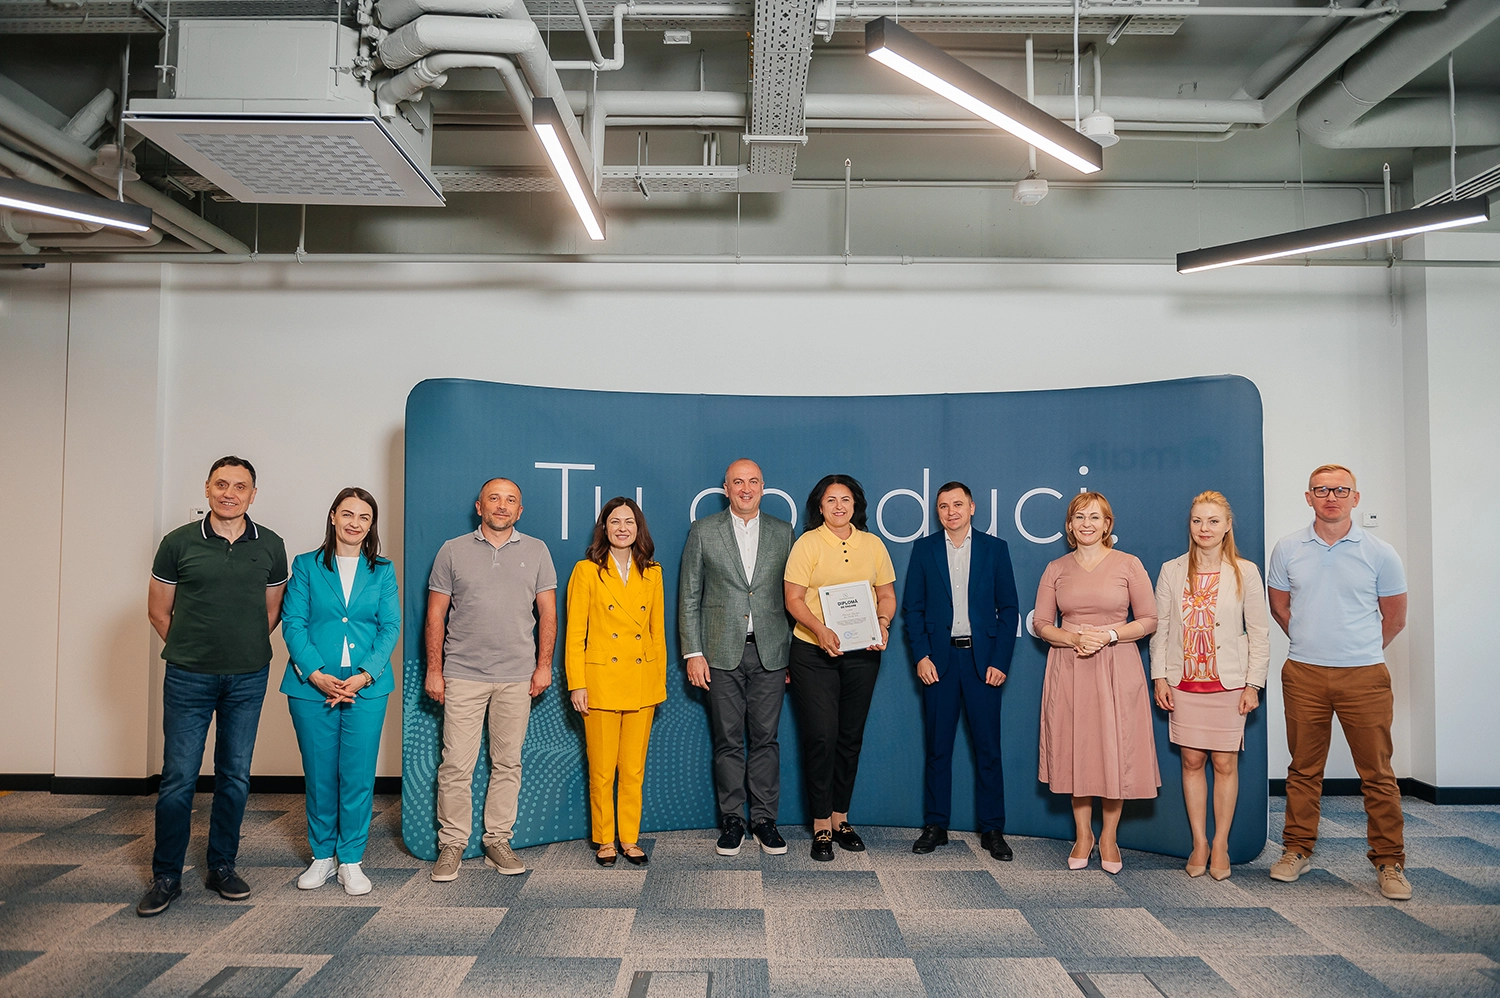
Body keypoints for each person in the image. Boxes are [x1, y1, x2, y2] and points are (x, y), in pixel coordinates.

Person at [139, 456, 289, 917]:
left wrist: (239, 648)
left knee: (235, 775)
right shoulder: (177, 542)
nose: (230, 493)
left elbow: (271, 612)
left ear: (252, 495)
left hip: (247, 677)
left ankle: (222, 865)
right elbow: (158, 611)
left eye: (240, 486)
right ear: (207, 489)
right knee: (178, 778)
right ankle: (166, 875)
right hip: (188, 677)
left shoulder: (271, 545)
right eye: (221, 484)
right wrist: (194, 650)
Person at [1266, 464, 1410, 900]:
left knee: (1377, 773)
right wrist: (1312, 643)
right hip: (1304, 673)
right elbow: (1280, 608)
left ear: (1355, 498)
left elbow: (1395, 619)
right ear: (1308, 497)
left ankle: (1389, 861)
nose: (1331, 497)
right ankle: (1296, 849)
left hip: (1364, 675)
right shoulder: (1287, 548)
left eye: (1341, 490)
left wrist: (1356, 650)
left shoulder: (1380, 552)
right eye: (1322, 490)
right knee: (1303, 769)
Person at [426, 477, 557, 882]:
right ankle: (452, 843)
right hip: (463, 674)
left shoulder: (537, 550)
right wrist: (434, 670)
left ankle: (498, 840)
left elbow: (548, 614)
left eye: (510, 500)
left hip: (517, 676)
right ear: (479, 506)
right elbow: (435, 615)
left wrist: (543, 665)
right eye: (494, 498)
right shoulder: (452, 550)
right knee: (455, 765)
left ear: (520, 510)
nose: (502, 505)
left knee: (508, 763)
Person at [280, 487, 400, 896]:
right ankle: (322, 857)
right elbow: (293, 623)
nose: (355, 523)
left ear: (371, 524)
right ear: (333, 516)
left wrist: (365, 675)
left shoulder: (383, 570)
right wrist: (315, 674)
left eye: (364, 517)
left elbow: (390, 627)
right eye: (347, 514)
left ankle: (350, 859)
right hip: (313, 685)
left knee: (357, 776)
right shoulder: (306, 565)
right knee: (319, 775)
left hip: (366, 686)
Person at [1034, 491, 1158, 875]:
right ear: (1069, 526)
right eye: (1079, 517)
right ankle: (1083, 834)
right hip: (1070, 667)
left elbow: (1149, 619)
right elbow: (1041, 623)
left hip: (1117, 665)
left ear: (1107, 524)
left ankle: (1109, 837)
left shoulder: (1129, 564)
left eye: (1094, 517)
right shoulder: (1056, 568)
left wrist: (1109, 636)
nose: (1086, 524)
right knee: (1078, 748)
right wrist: (1073, 638)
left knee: (1113, 749)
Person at [1150, 491, 1269, 881]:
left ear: (1227, 526)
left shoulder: (1245, 572)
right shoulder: (1171, 570)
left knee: (1224, 763)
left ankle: (1221, 844)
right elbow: (1161, 629)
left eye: (1213, 521)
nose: (1205, 528)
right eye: (1198, 520)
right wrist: (1159, 676)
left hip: (1229, 683)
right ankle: (1199, 842)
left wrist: (1253, 684)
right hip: (1184, 682)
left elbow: (1259, 632)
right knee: (1191, 762)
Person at [679, 459, 795, 857]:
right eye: (737, 482)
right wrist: (694, 652)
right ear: (726, 489)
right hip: (719, 652)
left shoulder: (783, 532)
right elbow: (689, 595)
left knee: (766, 740)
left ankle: (764, 820)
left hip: (771, 652)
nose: (746, 488)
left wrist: (792, 655)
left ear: (763, 487)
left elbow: (795, 596)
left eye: (753, 481)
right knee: (727, 741)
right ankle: (732, 820)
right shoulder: (703, 530)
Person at [902, 481, 1020, 860]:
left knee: (988, 749)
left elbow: (1009, 610)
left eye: (957, 504)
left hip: (982, 662)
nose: (950, 512)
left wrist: (1000, 660)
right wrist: (921, 656)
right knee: (938, 748)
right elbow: (913, 610)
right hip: (939, 662)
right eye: (943, 506)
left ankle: (992, 829)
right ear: (937, 512)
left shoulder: (995, 549)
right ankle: (936, 825)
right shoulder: (924, 550)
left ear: (972, 507)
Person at [783, 474, 897, 861]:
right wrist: (820, 629)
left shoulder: (873, 545)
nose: (838, 506)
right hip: (812, 652)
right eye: (831, 500)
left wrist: (882, 623)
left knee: (850, 737)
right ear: (820, 506)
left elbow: (886, 595)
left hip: (862, 652)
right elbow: (793, 599)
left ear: (855, 505)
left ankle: (840, 819)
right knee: (821, 736)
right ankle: (820, 824)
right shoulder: (808, 543)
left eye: (845, 499)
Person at [566, 497, 668, 866]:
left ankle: (630, 838)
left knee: (633, 769)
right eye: (614, 521)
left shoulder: (653, 573)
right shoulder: (586, 571)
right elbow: (575, 634)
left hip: (641, 680)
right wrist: (577, 683)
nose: (622, 528)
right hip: (600, 681)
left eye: (629, 522)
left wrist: (658, 683)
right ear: (604, 528)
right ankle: (605, 839)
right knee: (602, 769)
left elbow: (657, 633)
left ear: (639, 529)